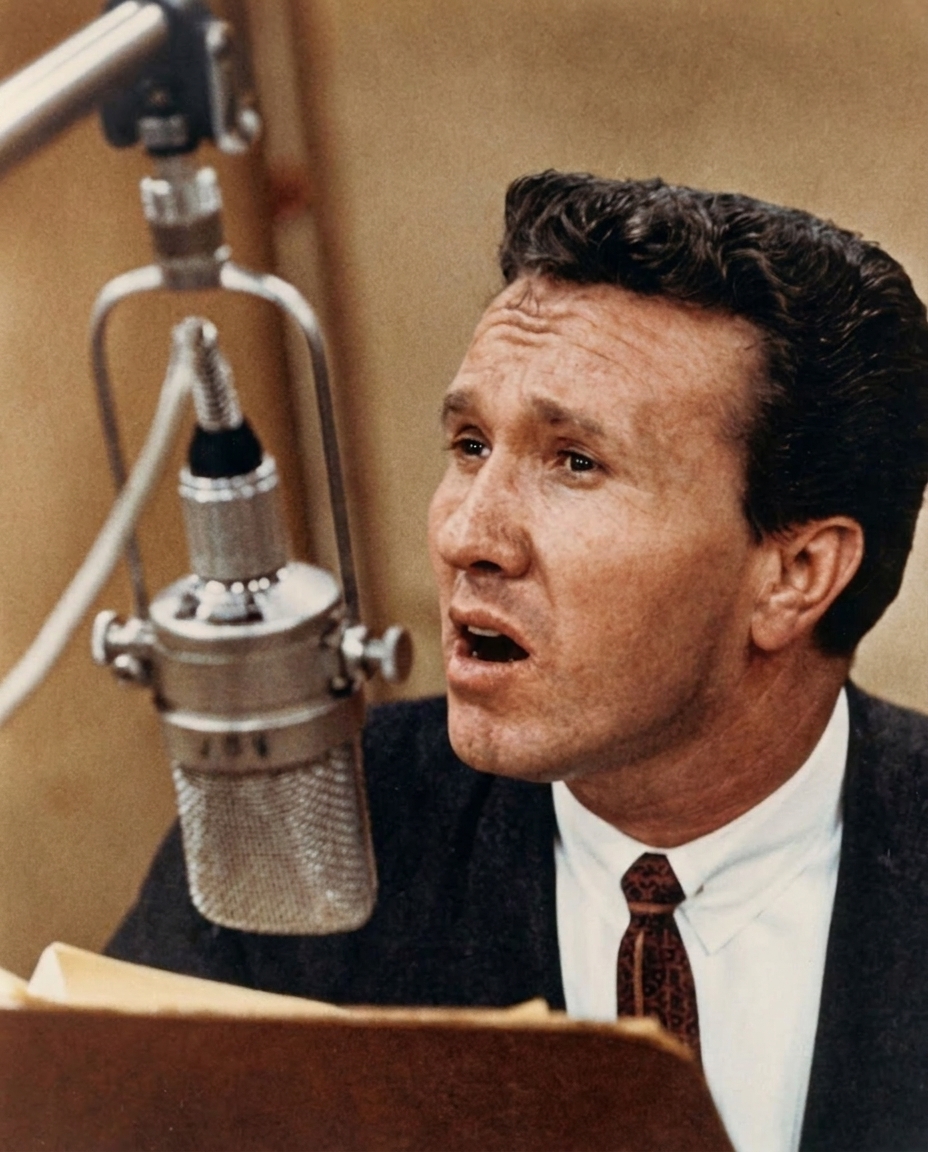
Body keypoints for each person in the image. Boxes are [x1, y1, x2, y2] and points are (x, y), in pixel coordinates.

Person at [108, 171, 928, 1152]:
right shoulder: (300, 829)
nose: (468, 534)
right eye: (468, 444)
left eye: (575, 462)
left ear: (795, 574)